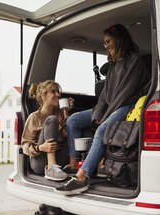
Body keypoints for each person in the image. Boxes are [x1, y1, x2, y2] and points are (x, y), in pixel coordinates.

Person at [55, 23, 151, 195]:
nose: (106, 46)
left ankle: (81, 178)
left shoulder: (134, 61)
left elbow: (123, 95)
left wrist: (103, 118)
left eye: (108, 42)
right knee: (73, 120)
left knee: (101, 131)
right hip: (112, 107)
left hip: (126, 106)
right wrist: (98, 113)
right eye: (104, 43)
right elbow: (105, 95)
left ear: (119, 40)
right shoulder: (113, 65)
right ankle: (72, 164)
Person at [21, 79, 74, 181]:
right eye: (53, 92)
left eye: (58, 92)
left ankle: (73, 165)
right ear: (43, 96)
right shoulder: (34, 117)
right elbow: (25, 145)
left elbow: (69, 136)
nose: (58, 95)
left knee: (77, 126)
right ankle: (51, 168)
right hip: (40, 161)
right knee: (52, 120)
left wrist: (66, 113)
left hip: (60, 159)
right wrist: (40, 147)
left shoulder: (60, 114)